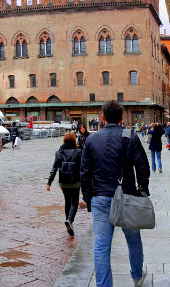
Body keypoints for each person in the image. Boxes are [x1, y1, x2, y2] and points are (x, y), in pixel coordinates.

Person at [81, 101, 150, 287]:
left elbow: (85, 173)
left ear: (102, 118)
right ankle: (136, 276)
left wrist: (88, 198)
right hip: (126, 196)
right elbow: (143, 166)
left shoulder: (91, 140)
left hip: (100, 197)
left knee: (102, 247)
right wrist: (143, 190)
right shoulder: (131, 137)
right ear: (121, 118)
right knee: (133, 239)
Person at [47, 131, 82, 236]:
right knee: (74, 202)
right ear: (73, 139)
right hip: (75, 181)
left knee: (67, 202)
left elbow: (54, 168)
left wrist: (49, 182)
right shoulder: (79, 152)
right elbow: (83, 168)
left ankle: (68, 221)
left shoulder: (59, 152)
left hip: (63, 181)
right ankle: (70, 221)